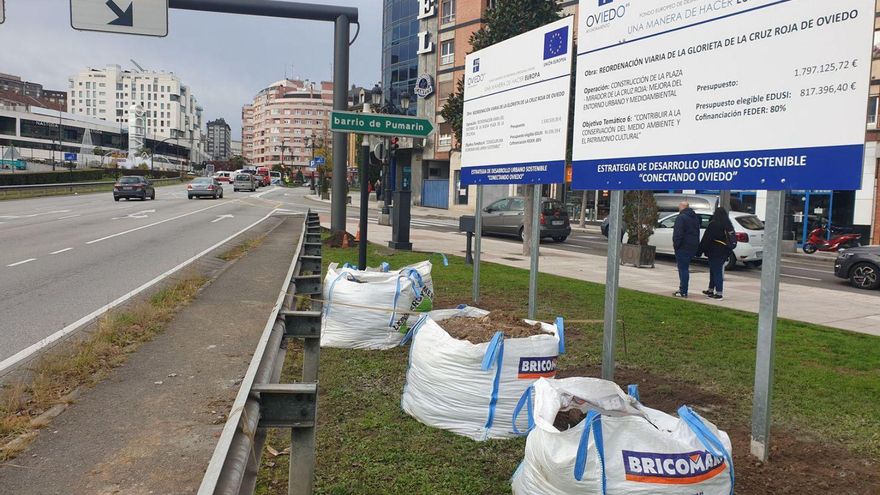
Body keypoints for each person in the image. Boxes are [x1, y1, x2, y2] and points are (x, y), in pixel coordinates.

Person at [699, 207, 734, 300]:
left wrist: (699, 250)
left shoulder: (714, 225)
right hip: (724, 251)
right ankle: (710, 290)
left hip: (714, 251)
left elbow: (706, 239)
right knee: (715, 271)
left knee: (716, 272)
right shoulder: (728, 225)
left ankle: (719, 293)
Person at [672, 201, 701, 298]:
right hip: (692, 246)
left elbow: (678, 233)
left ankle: (683, 290)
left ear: (682, 207)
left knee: (683, 269)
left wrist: (676, 245)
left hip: (683, 247)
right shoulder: (695, 218)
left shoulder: (681, 217)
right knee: (685, 268)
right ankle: (683, 289)